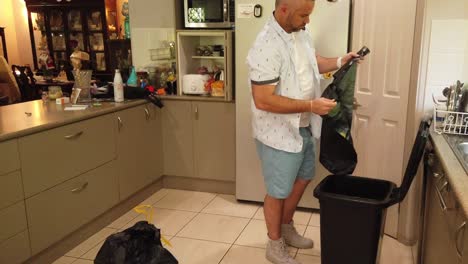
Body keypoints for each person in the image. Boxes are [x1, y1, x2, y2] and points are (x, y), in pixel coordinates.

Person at [247, 0, 363, 263]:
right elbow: (263, 99)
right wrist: (311, 105)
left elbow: (313, 61)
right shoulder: (266, 45)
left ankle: (286, 227)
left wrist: (339, 60)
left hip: (304, 127)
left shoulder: (300, 32)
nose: (308, 21)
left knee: (303, 179)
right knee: (278, 191)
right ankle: (274, 243)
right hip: (278, 133)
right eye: (303, 15)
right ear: (284, 9)